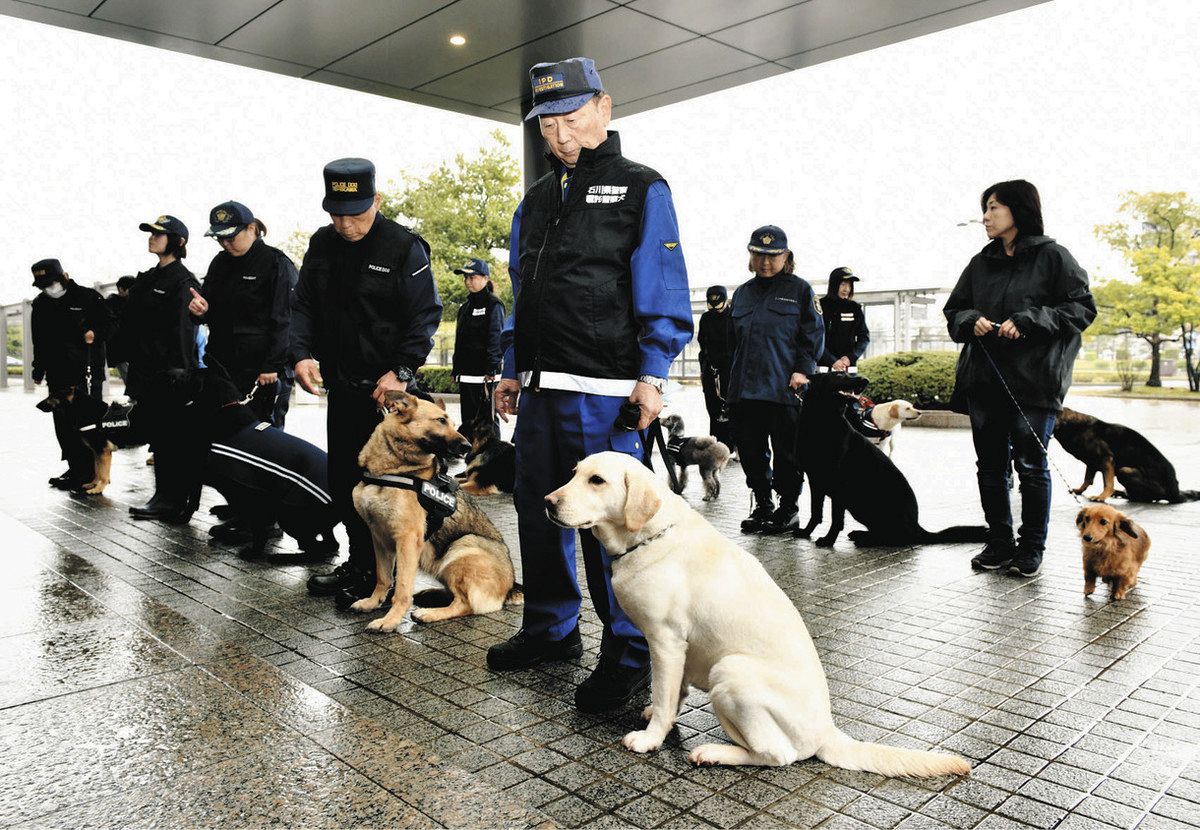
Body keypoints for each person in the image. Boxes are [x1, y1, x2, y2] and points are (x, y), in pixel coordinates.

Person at [486, 57, 693, 714]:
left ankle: (630, 653)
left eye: (573, 118)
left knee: (611, 526)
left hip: (605, 393)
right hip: (542, 391)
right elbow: (523, 289)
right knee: (539, 511)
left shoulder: (641, 188)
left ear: (604, 108)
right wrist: (512, 364)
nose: (562, 135)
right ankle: (551, 629)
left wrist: (654, 375)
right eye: (549, 124)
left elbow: (663, 289)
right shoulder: (538, 199)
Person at [291, 158, 442, 607]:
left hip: (386, 396)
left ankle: (392, 576)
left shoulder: (403, 247)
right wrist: (299, 354)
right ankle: (360, 566)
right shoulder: (322, 244)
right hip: (341, 385)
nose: (345, 224)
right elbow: (302, 307)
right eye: (336, 213)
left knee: (389, 489)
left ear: (376, 200)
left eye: (355, 213)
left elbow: (424, 317)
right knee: (346, 482)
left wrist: (401, 370)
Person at [944, 180, 1095, 577]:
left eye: (994, 207)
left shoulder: (1055, 258)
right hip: (985, 380)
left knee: (1030, 465)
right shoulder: (980, 262)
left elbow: (1081, 309)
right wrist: (969, 320)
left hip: (1035, 383)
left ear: (1018, 210)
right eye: (986, 208)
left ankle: (1031, 549)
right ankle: (998, 542)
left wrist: (1030, 320)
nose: (986, 216)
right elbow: (955, 309)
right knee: (990, 466)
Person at [726, 225, 825, 535]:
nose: (765, 262)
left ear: (786, 256)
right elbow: (732, 343)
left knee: (787, 453)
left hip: (785, 389)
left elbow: (813, 335)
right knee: (751, 452)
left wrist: (802, 370)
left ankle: (788, 507)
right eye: (759, 255)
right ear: (751, 256)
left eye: (773, 256)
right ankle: (763, 504)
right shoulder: (741, 293)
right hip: (746, 390)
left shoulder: (800, 291)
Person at [118, 215, 203, 522]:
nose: (151, 238)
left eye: (159, 234)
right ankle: (163, 497)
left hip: (170, 376)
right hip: (146, 375)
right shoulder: (149, 279)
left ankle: (172, 500)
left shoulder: (182, 281)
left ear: (178, 242)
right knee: (160, 439)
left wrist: (179, 373)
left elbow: (183, 331)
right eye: (150, 233)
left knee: (172, 441)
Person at [187, 201, 295, 424]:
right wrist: (200, 311)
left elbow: (285, 320)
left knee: (263, 435)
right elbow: (208, 308)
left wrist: (271, 366)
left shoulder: (276, 263)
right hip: (223, 367)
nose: (225, 243)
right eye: (220, 239)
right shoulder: (219, 263)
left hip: (262, 372)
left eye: (231, 237)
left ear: (251, 229)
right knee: (223, 433)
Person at [30, 259, 113, 490]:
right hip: (58, 374)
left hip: (87, 370)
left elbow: (111, 324)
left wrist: (94, 332)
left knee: (90, 424)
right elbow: (40, 340)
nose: (49, 288)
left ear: (64, 276)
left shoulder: (88, 297)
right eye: (43, 285)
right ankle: (77, 469)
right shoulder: (41, 304)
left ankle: (92, 472)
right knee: (64, 424)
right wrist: (38, 369)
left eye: (52, 283)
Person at [451, 258, 504, 441]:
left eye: (472, 277)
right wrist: (456, 369)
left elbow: (496, 337)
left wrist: (492, 368)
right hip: (466, 375)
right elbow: (460, 341)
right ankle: (471, 462)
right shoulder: (464, 308)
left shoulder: (494, 304)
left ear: (485, 278)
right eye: (465, 277)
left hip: (485, 376)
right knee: (468, 422)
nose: (468, 281)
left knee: (487, 422)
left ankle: (493, 463)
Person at [696, 284, 736, 454]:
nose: (714, 307)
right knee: (713, 409)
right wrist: (704, 366)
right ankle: (718, 445)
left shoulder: (734, 317)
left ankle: (732, 446)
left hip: (730, 370)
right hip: (711, 370)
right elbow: (702, 343)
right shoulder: (706, 318)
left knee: (732, 408)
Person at [819, 266, 870, 371]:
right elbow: (814, 339)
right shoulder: (819, 306)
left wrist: (850, 357)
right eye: (843, 284)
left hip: (847, 367)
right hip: (824, 367)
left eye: (849, 285)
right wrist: (831, 360)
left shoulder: (855, 308)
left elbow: (864, 337)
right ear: (834, 285)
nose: (846, 289)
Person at [105, 275, 136, 382]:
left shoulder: (114, 302)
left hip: (123, 346)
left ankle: (134, 395)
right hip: (121, 346)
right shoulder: (114, 302)